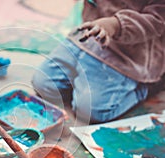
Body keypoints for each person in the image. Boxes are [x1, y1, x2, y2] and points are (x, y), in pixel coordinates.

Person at [32, 0, 165, 124]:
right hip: (87, 37)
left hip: (127, 55)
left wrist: (115, 25)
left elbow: (156, 20)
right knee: (43, 84)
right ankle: (84, 87)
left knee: (88, 111)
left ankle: (145, 87)